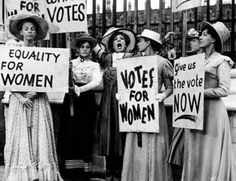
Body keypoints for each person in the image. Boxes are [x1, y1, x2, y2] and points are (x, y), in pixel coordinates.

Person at [3, 13, 63, 180]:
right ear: (21, 32)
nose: (29, 32)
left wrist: (38, 91)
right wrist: (20, 96)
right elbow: (6, 77)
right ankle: (23, 173)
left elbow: (51, 78)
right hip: (19, 100)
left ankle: (39, 172)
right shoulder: (13, 52)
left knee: (38, 133)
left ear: (36, 33)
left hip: (38, 100)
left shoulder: (43, 54)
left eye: (32, 29)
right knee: (21, 134)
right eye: (26, 29)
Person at [181, 21, 236, 181]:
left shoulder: (221, 60)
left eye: (205, 34)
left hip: (213, 112)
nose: (200, 37)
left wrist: (200, 92)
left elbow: (224, 90)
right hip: (195, 109)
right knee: (196, 147)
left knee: (210, 149)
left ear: (213, 39)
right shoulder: (197, 60)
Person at [121, 29, 173, 181]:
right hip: (137, 110)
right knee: (136, 145)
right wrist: (123, 95)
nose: (137, 44)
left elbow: (171, 86)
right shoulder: (134, 61)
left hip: (153, 109)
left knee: (153, 144)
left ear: (148, 42)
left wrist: (163, 95)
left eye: (140, 40)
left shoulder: (162, 62)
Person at [57, 33, 102, 180]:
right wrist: (66, 71)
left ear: (91, 50)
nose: (85, 49)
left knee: (85, 131)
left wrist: (79, 89)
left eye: (88, 47)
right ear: (77, 49)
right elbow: (58, 78)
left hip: (85, 100)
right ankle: (68, 170)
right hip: (70, 99)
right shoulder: (70, 63)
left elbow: (96, 82)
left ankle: (84, 170)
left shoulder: (94, 65)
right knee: (69, 132)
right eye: (82, 47)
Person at [98, 27, 136, 181]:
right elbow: (94, 45)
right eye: (115, 40)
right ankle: (109, 168)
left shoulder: (132, 57)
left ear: (126, 43)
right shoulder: (107, 58)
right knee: (107, 131)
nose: (118, 41)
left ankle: (120, 169)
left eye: (121, 39)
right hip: (108, 99)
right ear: (111, 44)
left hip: (125, 98)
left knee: (121, 132)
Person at [167, 28, 203, 166]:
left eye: (193, 40)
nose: (190, 43)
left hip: (200, 107)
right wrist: (174, 60)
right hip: (187, 108)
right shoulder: (188, 60)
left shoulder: (207, 60)